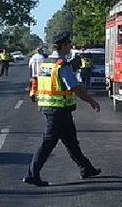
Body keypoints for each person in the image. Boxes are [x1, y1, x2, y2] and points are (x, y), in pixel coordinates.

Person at [23, 31, 102, 187]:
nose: (71, 47)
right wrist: (91, 100)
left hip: (51, 107)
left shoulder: (46, 63)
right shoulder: (61, 65)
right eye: (69, 44)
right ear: (63, 45)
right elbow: (75, 87)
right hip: (57, 109)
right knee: (48, 142)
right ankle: (32, 174)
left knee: (71, 141)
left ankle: (86, 168)